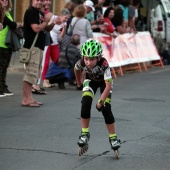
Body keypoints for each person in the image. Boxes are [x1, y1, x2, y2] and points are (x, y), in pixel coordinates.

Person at [74, 39, 121, 153]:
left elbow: (108, 85)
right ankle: (85, 134)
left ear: (98, 58)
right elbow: (76, 69)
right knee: (85, 104)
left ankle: (113, 138)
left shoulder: (104, 64)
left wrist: (101, 101)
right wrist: (79, 82)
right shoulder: (82, 62)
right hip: (91, 81)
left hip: (104, 83)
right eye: (86, 59)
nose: (88, 62)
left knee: (106, 108)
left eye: (92, 59)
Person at [21, 0, 51, 107]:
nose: (40, 2)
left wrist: (53, 22)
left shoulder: (39, 13)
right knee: (30, 73)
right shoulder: (31, 12)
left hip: (38, 47)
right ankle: (26, 99)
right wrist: (46, 21)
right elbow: (36, 28)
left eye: (41, 0)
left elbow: (45, 28)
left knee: (34, 73)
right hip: (32, 47)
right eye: (37, 0)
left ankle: (29, 97)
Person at [42, 8, 70, 89]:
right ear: (60, 15)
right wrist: (54, 22)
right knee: (46, 62)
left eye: (67, 18)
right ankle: (45, 80)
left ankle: (57, 79)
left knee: (58, 61)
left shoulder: (64, 23)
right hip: (48, 43)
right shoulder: (53, 18)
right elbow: (47, 26)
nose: (66, 19)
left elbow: (62, 37)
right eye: (65, 17)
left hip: (55, 44)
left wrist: (64, 28)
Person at [0, 0, 22, 97]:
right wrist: (18, 24)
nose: (5, 1)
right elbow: (12, 24)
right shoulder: (1, 13)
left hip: (7, 43)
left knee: (4, 67)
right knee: (1, 67)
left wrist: (16, 24)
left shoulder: (7, 12)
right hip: (1, 43)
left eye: (6, 0)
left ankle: (3, 86)